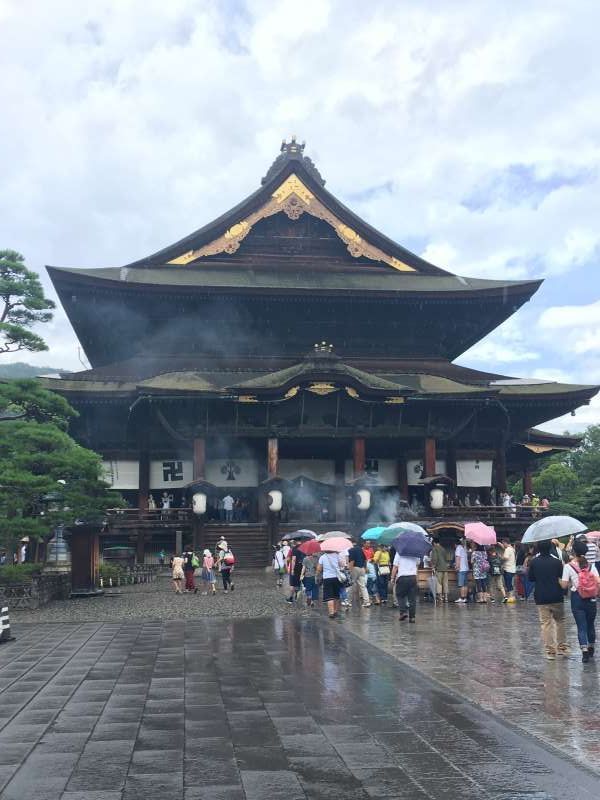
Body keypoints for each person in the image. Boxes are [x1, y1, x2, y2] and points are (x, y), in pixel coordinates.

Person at [527, 540, 569, 660]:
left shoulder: (534, 562)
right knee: (560, 621)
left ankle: (550, 651)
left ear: (538, 549)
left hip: (541, 596)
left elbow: (530, 578)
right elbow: (561, 577)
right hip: (556, 595)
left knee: (545, 623)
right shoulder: (556, 562)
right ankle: (562, 647)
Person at [560, 539, 600, 662]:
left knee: (581, 626)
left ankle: (584, 651)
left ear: (573, 551)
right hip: (591, 599)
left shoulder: (568, 566)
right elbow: (598, 581)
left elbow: (564, 586)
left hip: (577, 598)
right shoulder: (592, 566)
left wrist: (560, 580)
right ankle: (591, 646)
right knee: (590, 625)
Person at [391, 550, 420, 622]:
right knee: (412, 599)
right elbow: (417, 566)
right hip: (413, 577)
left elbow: (395, 567)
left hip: (402, 577)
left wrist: (392, 578)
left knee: (400, 595)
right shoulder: (416, 553)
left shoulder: (399, 552)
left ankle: (403, 612)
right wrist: (417, 579)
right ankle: (412, 617)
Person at [317, 548, 343, 619]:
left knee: (329, 596)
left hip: (327, 578)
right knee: (336, 595)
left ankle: (331, 613)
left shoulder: (322, 557)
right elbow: (342, 564)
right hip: (336, 577)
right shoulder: (336, 555)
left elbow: (319, 569)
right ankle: (335, 611)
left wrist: (319, 573)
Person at [347, 538, 371, 608]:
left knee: (350, 585)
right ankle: (367, 602)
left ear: (351, 543)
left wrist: (350, 570)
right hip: (362, 569)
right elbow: (365, 559)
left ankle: (348, 601)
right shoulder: (360, 549)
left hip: (355, 568)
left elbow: (352, 561)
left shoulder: (351, 550)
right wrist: (365, 568)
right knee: (363, 586)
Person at [499, 538, 517, 603]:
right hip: (512, 569)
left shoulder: (507, 549)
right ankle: (512, 597)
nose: (503, 544)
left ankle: (511, 597)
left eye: (503, 543)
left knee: (508, 584)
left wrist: (501, 557)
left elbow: (506, 558)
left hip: (508, 569)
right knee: (510, 583)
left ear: (505, 542)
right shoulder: (512, 549)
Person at [454, 538, 469, 604]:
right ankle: (465, 598)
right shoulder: (463, 548)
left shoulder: (458, 548)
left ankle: (462, 598)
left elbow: (458, 558)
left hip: (461, 569)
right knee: (465, 584)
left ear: (455, 544)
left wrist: (457, 566)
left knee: (461, 585)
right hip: (466, 568)